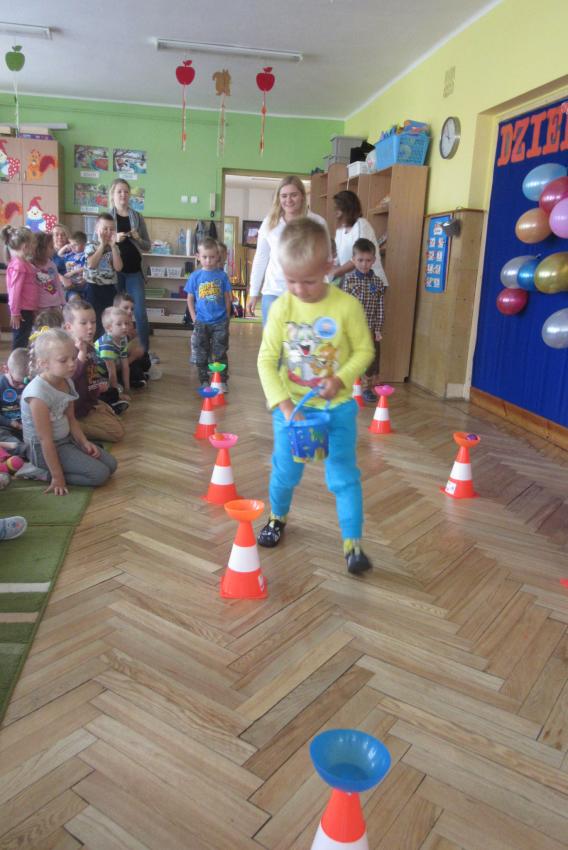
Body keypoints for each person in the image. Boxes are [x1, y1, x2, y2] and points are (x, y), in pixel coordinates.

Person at [257, 217, 375, 575]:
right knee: (285, 472)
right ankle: (277, 517)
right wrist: (284, 405)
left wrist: (341, 379)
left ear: (328, 266)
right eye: (290, 280)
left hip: (337, 411)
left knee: (343, 476)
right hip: (292, 412)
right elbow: (266, 360)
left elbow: (364, 351)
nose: (299, 289)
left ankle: (353, 544)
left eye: (308, 280)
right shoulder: (282, 307)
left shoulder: (347, 306)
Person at [22, 328, 117, 494]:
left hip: (66, 440)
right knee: (100, 475)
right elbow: (45, 440)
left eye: (73, 357)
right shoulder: (37, 395)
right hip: (44, 449)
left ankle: (61, 466)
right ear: (44, 363)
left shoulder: (66, 381)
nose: (72, 364)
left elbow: (71, 419)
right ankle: (43, 473)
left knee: (112, 465)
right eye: (63, 360)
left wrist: (84, 442)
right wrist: (57, 477)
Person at [247, 176, 328, 325]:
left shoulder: (318, 222)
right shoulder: (269, 222)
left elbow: (325, 260)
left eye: (293, 195)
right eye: (284, 196)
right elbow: (260, 258)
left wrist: (326, 291)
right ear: (279, 198)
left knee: (304, 338)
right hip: (274, 292)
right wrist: (253, 292)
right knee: (272, 339)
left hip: (307, 294)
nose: (288, 200)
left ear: (302, 196)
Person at [63, 299, 126, 439]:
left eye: (93, 322)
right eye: (83, 323)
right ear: (69, 327)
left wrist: (98, 387)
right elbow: (69, 380)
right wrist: (81, 356)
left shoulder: (89, 347)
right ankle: (68, 428)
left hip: (88, 403)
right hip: (74, 409)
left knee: (116, 419)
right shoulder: (66, 352)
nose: (90, 327)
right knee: (117, 433)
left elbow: (91, 375)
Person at [109, 178, 151, 354]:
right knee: (116, 314)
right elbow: (98, 245)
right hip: (114, 273)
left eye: (126, 191)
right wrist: (114, 240)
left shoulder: (137, 217)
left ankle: (144, 353)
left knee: (139, 313)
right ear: (112, 194)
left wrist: (137, 237)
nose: (123, 195)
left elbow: (147, 246)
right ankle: (115, 351)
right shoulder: (107, 217)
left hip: (134, 272)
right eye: (119, 191)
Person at [342, 238, 386, 403]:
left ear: (373, 260)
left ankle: (367, 388)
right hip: (352, 328)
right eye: (360, 260)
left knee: (370, 359)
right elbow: (344, 305)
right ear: (353, 260)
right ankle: (349, 388)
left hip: (370, 328)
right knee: (349, 357)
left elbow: (380, 307)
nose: (364, 264)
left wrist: (378, 329)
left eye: (368, 260)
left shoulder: (378, 282)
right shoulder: (349, 280)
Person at [185, 237, 232, 388]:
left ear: (218, 256)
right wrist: (194, 318)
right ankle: (204, 380)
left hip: (220, 322)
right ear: (198, 257)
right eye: (204, 257)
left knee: (220, 353)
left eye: (212, 257)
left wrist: (227, 317)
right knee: (201, 353)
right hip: (201, 322)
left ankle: (221, 381)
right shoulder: (195, 276)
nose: (208, 260)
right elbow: (190, 299)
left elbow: (227, 298)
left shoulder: (222, 276)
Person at [332, 190, 388, 286]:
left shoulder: (361, 225)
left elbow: (360, 256)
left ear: (348, 208)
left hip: (371, 283)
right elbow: (337, 258)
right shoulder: (340, 230)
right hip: (354, 283)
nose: (335, 211)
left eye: (338, 208)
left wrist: (337, 271)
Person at [84, 213, 123, 338]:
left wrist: (113, 246)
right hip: (93, 287)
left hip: (110, 288)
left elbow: (118, 267)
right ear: (97, 229)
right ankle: (94, 344)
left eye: (112, 229)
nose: (108, 232)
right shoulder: (91, 244)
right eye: (105, 228)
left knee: (109, 318)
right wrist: (102, 245)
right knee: (94, 318)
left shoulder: (115, 247)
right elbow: (91, 264)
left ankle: (107, 343)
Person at [2, 225, 38, 349]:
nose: (35, 246)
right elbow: (14, 291)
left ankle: (20, 359)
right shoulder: (19, 265)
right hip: (21, 311)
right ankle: (16, 361)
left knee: (24, 339)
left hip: (26, 309)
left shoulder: (23, 263)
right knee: (20, 341)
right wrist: (15, 312)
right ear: (25, 246)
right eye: (33, 243)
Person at [94, 306, 131, 400]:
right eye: (119, 324)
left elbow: (125, 366)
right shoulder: (107, 343)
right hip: (96, 375)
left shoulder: (122, 339)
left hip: (106, 372)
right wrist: (117, 395)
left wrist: (127, 388)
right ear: (109, 328)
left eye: (126, 323)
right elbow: (112, 371)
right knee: (110, 389)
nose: (124, 327)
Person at [0, 348, 28, 454]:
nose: (21, 386)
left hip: (26, 427)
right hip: (5, 426)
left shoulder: (32, 384)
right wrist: (11, 423)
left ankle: (26, 449)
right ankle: (25, 451)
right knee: (4, 437)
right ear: (6, 369)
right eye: (17, 382)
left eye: (26, 381)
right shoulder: (1, 384)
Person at [32, 232, 65, 311]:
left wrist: (63, 302)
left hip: (56, 303)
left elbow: (57, 284)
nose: (54, 250)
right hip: (41, 306)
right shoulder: (32, 266)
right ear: (41, 249)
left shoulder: (52, 264)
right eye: (51, 247)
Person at [58, 230, 87, 300]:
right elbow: (59, 254)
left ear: (83, 245)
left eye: (75, 245)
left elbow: (87, 266)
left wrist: (73, 272)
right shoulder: (70, 254)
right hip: (69, 282)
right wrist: (66, 246)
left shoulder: (84, 255)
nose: (72, 247)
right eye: (71, 244)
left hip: (80, 281)